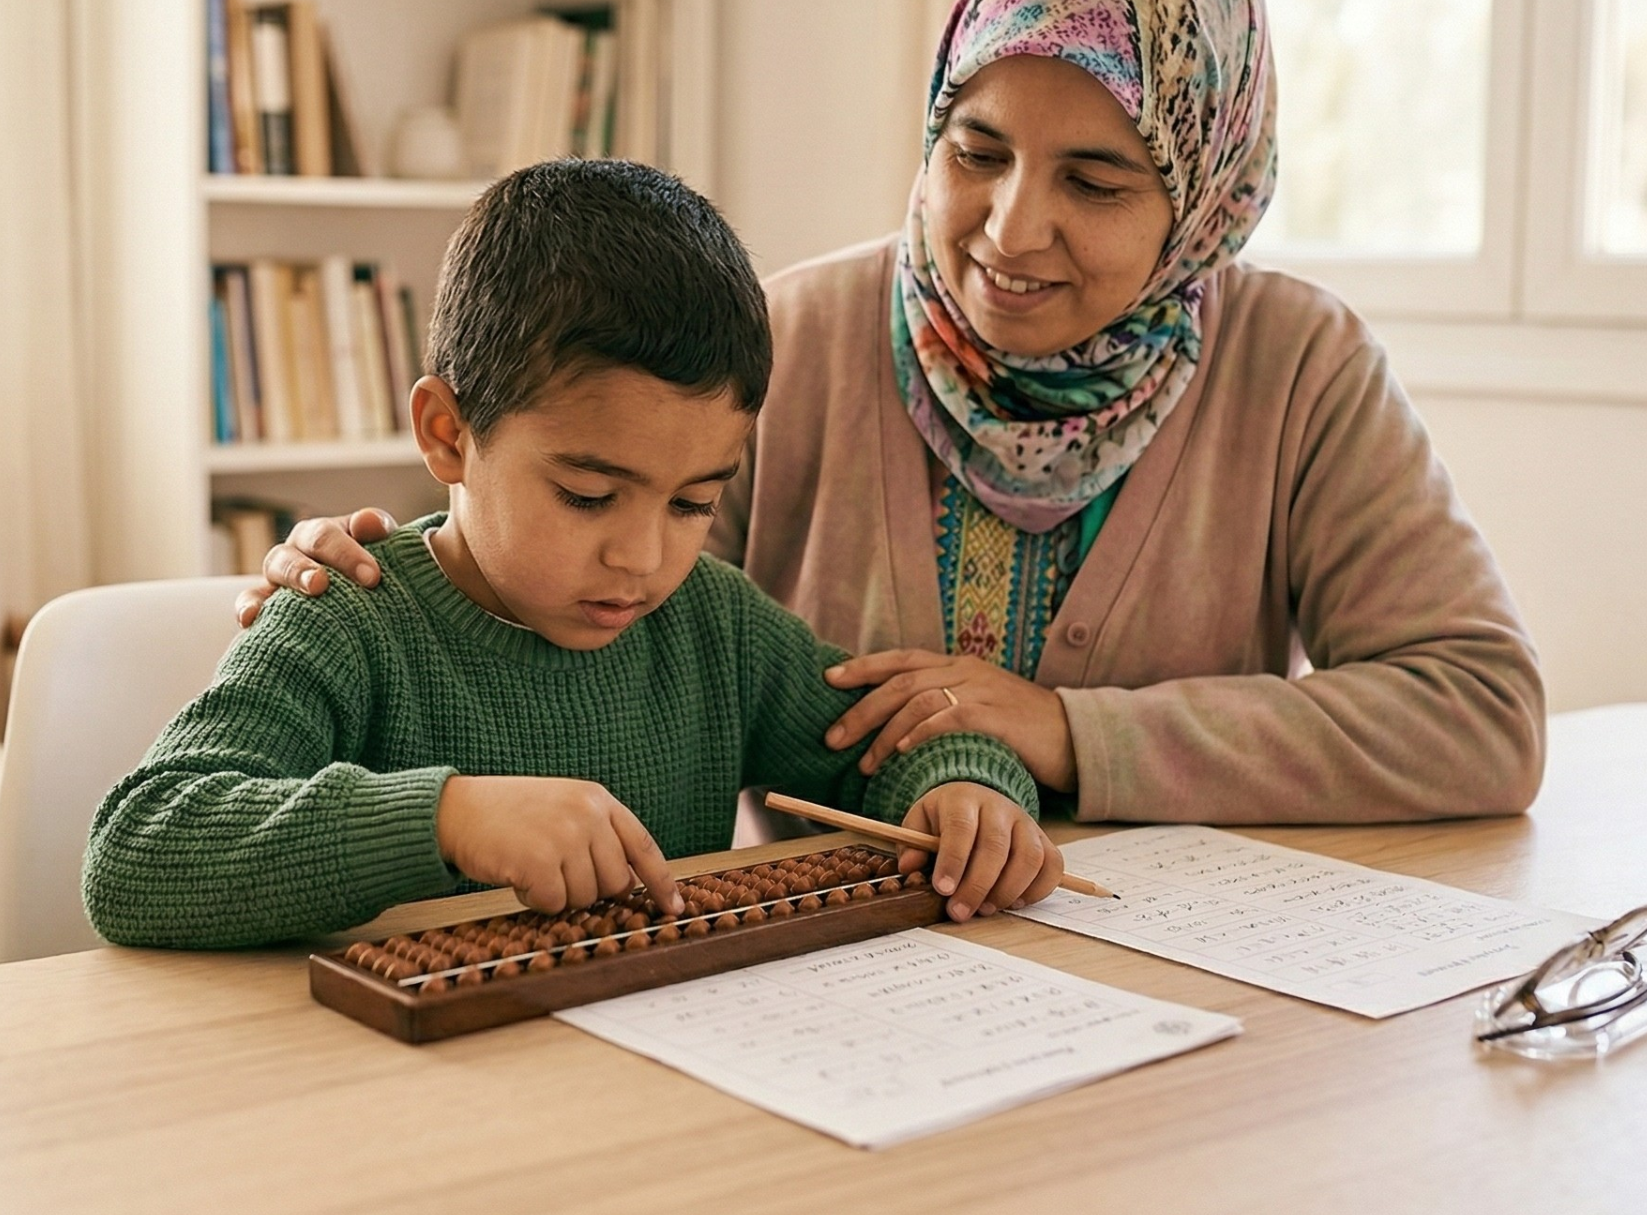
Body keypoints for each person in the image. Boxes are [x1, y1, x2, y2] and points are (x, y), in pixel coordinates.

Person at [236, 0, 1545, 826]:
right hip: (839, 980)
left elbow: (1479, 716)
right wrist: (389, 568)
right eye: (975, 153)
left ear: (1202, 202)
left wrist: (1074, 734)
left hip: (1194, 981)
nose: (1011, 227)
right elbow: (580, 594)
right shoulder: (788, 340)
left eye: (1092, 181)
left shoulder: (1299, 368)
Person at [84, 161, 1057, 950]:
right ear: (446, 434)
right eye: (587, 495)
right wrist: (445, 818)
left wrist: (964, 790)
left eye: (692, 502)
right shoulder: (349, 616)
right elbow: (139, 853)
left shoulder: (709, 622)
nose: (640, 557)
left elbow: (885, 747)